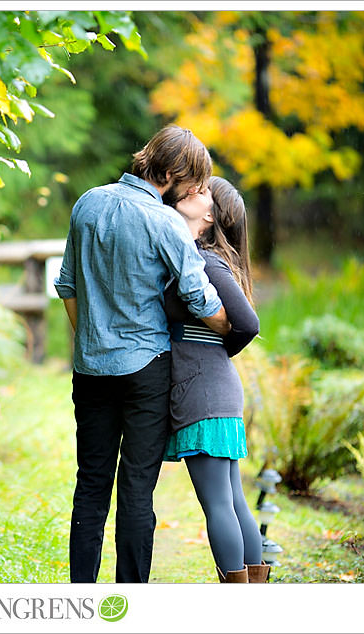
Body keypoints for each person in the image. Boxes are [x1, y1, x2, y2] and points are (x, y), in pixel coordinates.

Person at [53, 125, 231, 583]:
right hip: (147, 369)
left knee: (91, 485)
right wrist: (231, 327)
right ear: (170, 172)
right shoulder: (166, 221)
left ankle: (82, 597)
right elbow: (199, 296)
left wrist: (90, 338)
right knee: (136, 490)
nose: (194, 191)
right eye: (192, 181)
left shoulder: (86, 203)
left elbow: (67, 286)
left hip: (90, 369)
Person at [162, 176, 269, 583]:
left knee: (219, 504)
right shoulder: (216, 260)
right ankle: (254, 590)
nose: (194, 191)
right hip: (215, 387)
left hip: (202, 390)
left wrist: (218, 350)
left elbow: (247, 324)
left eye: (203, 191)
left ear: (211, 215)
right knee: (234, 500)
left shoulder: (204, 261)